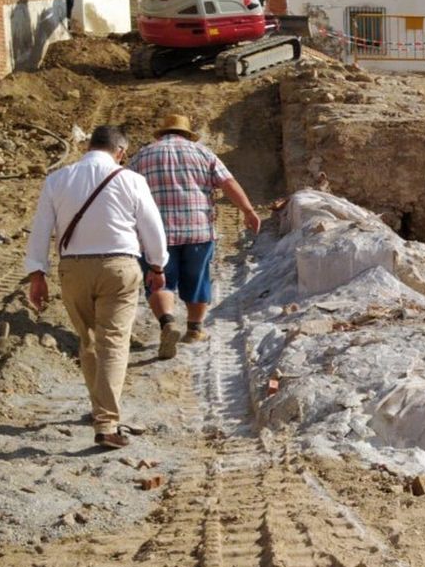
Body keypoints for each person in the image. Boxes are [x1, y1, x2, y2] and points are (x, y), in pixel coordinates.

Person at [25, 125, 168, 449]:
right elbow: (152, 227)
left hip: (73, 268)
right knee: (114, 342)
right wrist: (158, 265)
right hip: (119, 267)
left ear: (88, 146)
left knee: (88, 340)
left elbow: (40, 229)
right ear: (120, 151)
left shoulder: (58, 179)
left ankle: (99, 409)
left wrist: (37, 273)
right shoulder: (131, 180)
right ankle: (106, 423)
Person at [128, 113, 262, 359]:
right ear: (186, 133)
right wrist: (248, 211)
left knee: (160, 281)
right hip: (198, 231)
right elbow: (228, 183)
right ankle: (194, 330)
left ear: (162, 133)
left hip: (155, 235)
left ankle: (167, 322)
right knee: (198, 279)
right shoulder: (203, 153)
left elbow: (125, 191)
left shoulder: (142, 156)